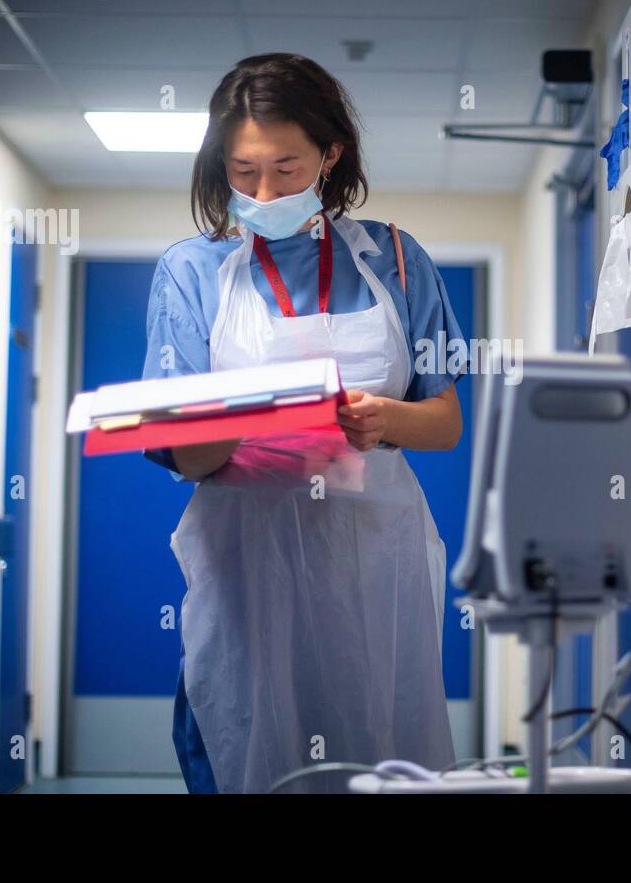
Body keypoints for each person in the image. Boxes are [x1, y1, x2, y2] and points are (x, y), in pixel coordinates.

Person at [141, 54, 464, 793]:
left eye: (286, 169)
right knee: (249, 748)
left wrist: (382, 419)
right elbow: (185, 457)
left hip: (374, 565)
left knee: (383, 750)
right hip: (244, 568)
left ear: (331, 153)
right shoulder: (192, 271)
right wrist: (245, 418)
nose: (262, 191)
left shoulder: (396, 260)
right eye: (242, 170)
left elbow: (444, 421)